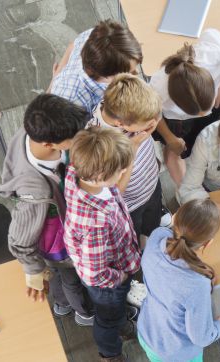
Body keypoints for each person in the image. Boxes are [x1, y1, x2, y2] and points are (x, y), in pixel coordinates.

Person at [0, 94, 94, 326]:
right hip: (55, 236)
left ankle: (61, 304)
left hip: (53, 223)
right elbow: (20, 239)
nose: (81, 139)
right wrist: (33, 270)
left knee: (59, 275)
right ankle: (85, 314)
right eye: (74, 139)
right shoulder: (35, 190)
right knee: (70, 278)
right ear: (49, 144)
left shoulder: (35, 128)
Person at [63, 128, 141, 362]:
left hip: (112, 258)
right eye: (120, 171)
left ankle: (119, 320)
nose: (124, 171)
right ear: (99, 176)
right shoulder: (95, 224)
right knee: (106, 318)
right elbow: (95, 274)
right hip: (109, 282)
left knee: (113, 312)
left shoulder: (76, 172)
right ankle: (110, 353)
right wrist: (122, 278)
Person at [137, 199, 220, 362]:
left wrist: (201, 270)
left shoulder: (157, 236)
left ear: (175, 217)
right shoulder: (197, 286)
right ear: (208, 243)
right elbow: (201, 337)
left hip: (147, 332)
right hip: (177, 354)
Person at [149, 29, 220, 187]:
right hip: (177, 120)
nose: (205, 114)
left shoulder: (219, 56)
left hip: (208, 99)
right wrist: (170, 138)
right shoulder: (159, 85)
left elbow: (211, 32)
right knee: (176, 151)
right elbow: (152, 112)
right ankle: (187, 192)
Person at [87, 73, 165, 239]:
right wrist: (134, 146)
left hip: (152, 186)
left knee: (153, 227)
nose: (154, 123)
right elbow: (115, 192)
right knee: (135, 237)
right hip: (131, 205)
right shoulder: (99, 146)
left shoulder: (126, 105)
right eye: (148, 123)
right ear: (120, 124)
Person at [50, 20, 142, 114]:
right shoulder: (72, 103)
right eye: (130, 72)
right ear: (106, 75)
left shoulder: (99, 35)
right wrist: (51, 87)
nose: (137, 73)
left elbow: (71, 46)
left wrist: (57, 76)